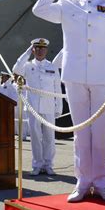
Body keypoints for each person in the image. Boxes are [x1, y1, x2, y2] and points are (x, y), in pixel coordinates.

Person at [32, 0, 105, 202]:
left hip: (104, 76)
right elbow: (39, 9)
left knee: (101, 131)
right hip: (75, 76)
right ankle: (83, 181)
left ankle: (102, 182)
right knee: (81, 133)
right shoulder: (66, 5)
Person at [13, 38, 63, 176]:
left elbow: (57, 88)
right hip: (33, 107)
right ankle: (37, 164)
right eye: (37, 48)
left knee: (49, 137)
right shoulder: (27, 66)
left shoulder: (52, 67)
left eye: (43, 48)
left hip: (48, 107)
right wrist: (27, 52)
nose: (40, 51)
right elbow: (15, 69)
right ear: (33, 50)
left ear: (46, 50)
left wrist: (59, 107)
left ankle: (48, 165)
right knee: (35, 137)